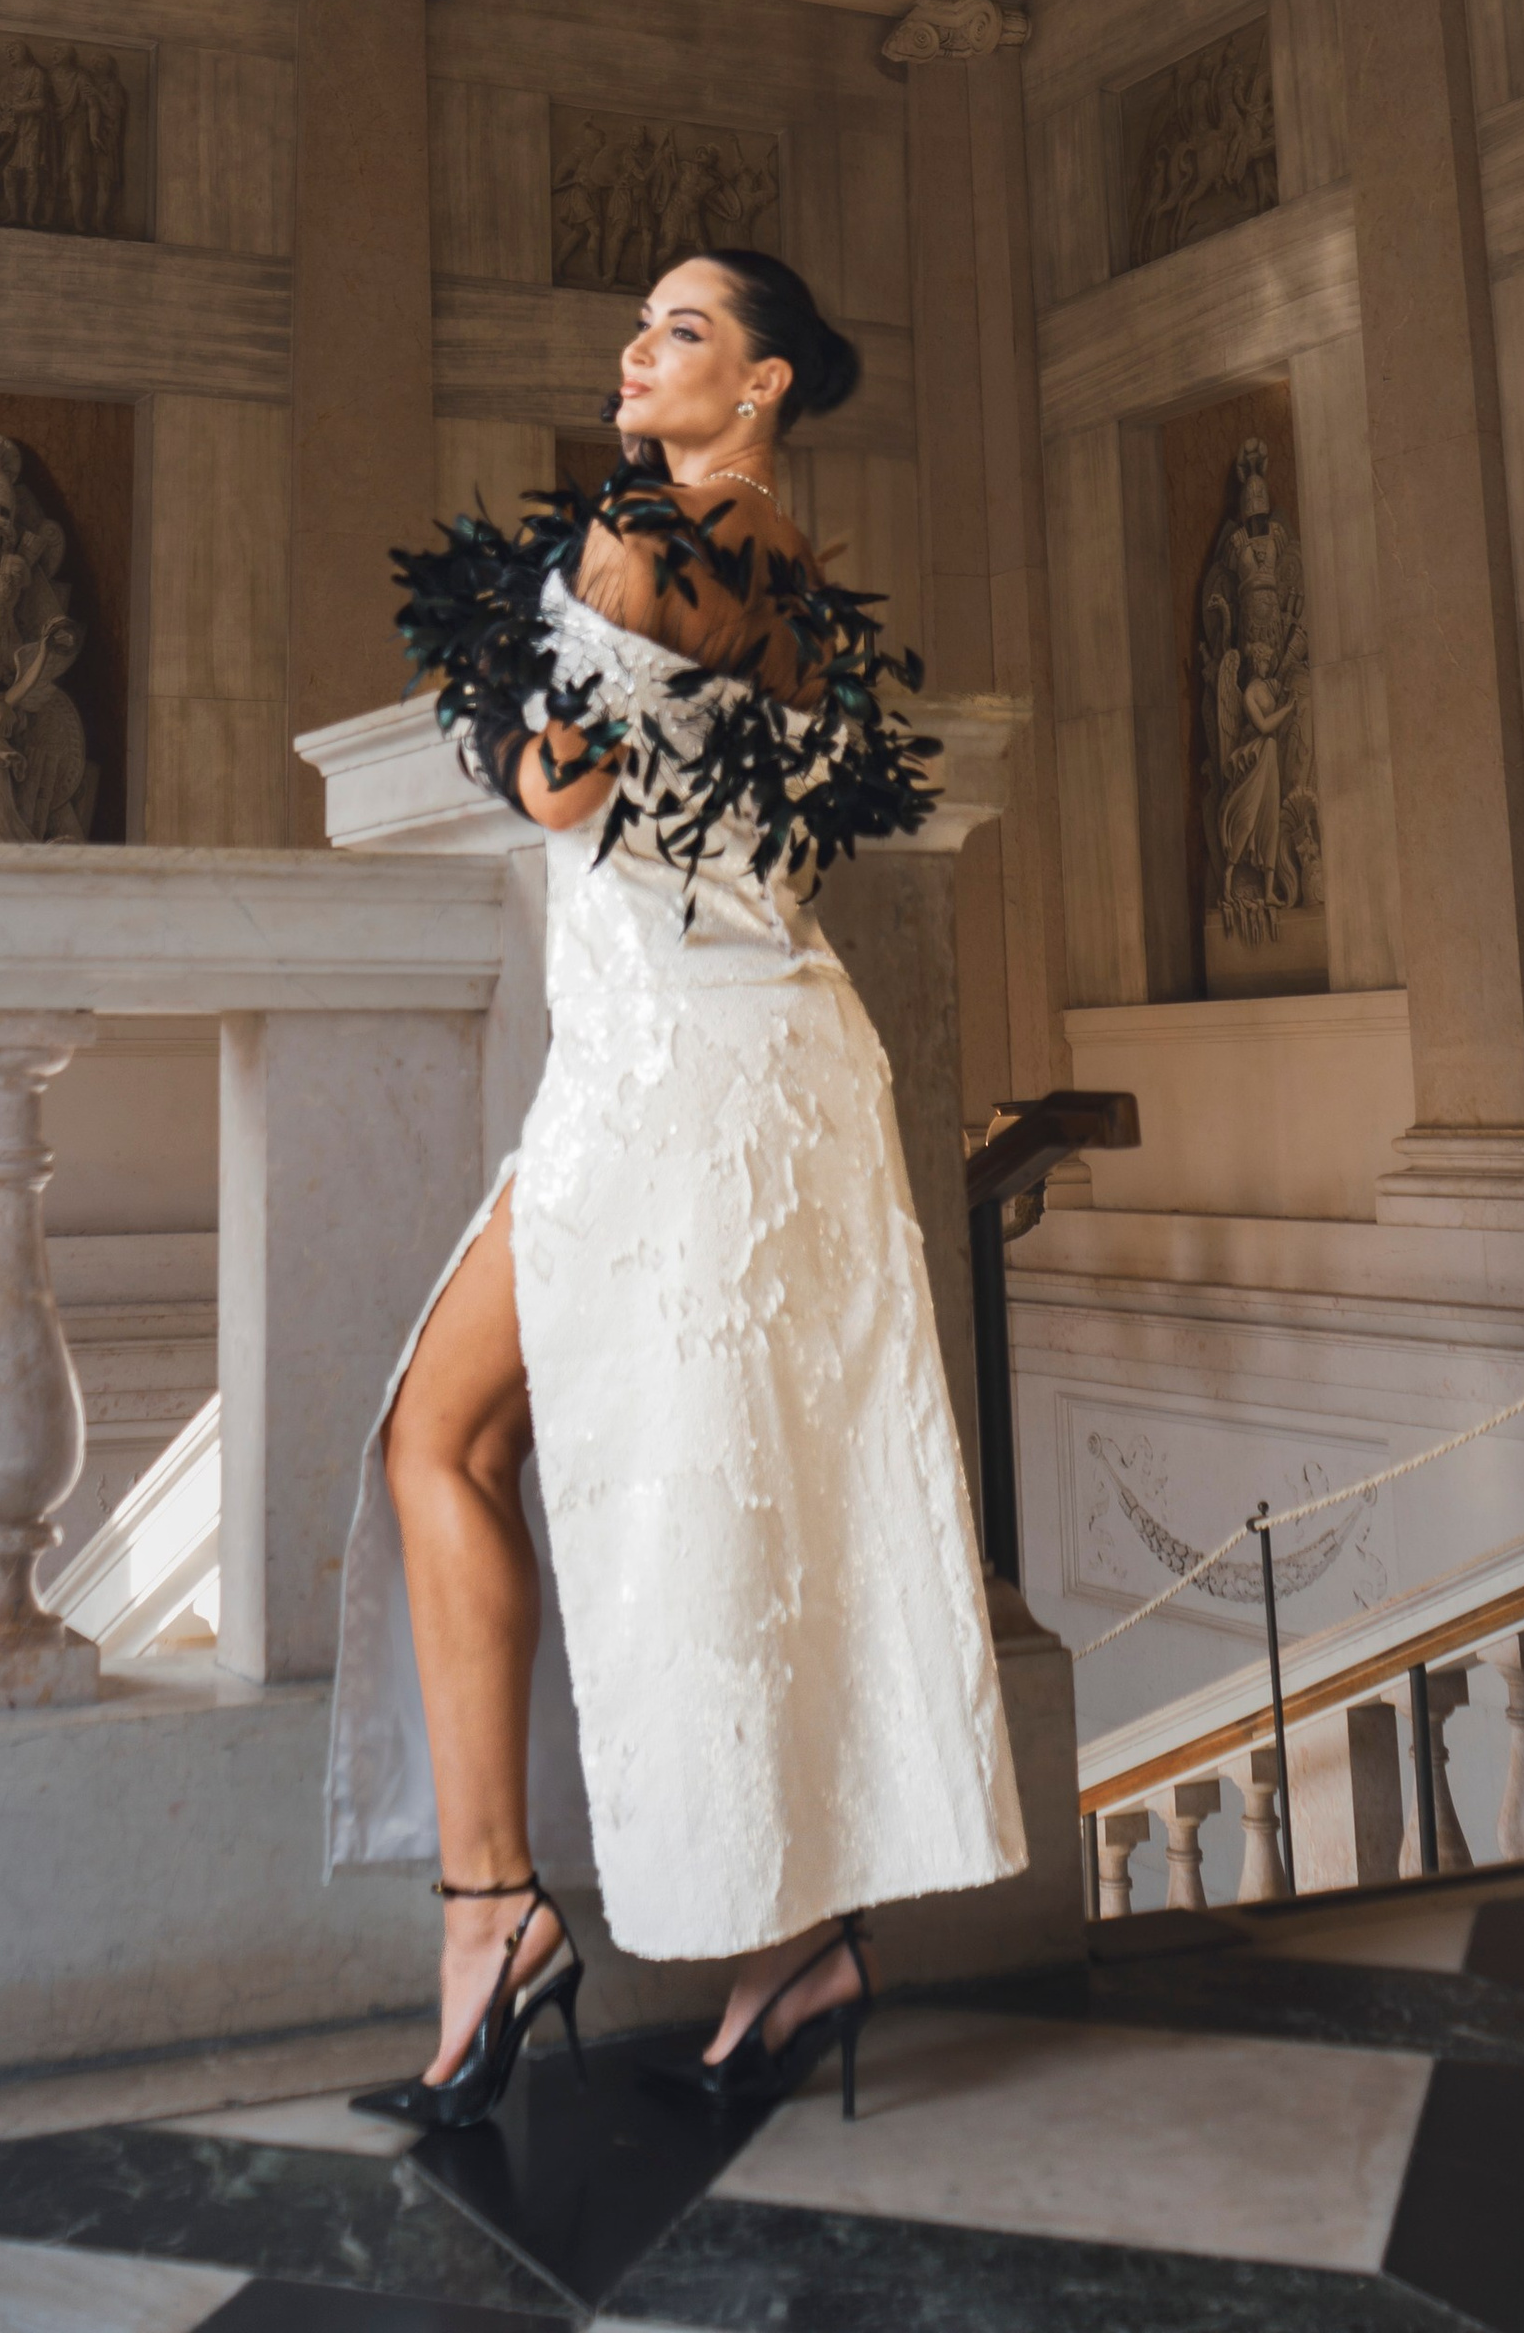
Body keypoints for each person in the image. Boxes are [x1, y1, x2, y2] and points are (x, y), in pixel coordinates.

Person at [327, 250, 1024, 2130]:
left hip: (690, 1077)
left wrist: (491, 705)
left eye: (686, 330)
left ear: (770, 382)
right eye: (640, 326)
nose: (640, 351)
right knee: (722, 1492)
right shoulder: (770, 561)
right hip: (722, 1057)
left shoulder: (675, 534)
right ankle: (715, 1948)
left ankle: (522, 1927)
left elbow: (554, 782)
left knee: (469, 1445)